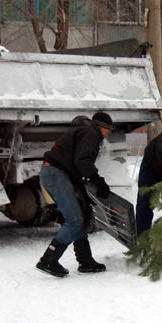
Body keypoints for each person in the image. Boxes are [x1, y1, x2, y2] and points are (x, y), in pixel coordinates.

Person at [36, 111, 114, 278]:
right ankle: (48, 259)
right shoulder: (91, 133)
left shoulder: (84, 132)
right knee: (74, 219)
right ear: (102, 127)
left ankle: (85, 260)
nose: (108, 134)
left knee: (81, 214)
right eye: (108, 130)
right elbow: (82, 161)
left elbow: (75, 162)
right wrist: (97, 180)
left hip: (57, 173)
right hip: (56, 174)